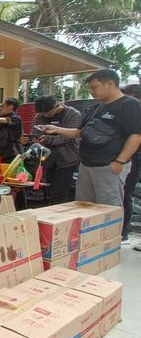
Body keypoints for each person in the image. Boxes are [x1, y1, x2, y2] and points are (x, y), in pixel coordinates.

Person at [41, 70, 141, 220]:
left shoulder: (130, 105)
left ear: (110, 84)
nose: (91, 91)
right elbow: (80, 132)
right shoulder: (96, 108)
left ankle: (110, 235)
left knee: (108, 209)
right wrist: (56, 129)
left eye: (94, 87)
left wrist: (119, 162)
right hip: (87, 165)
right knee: (84, 207)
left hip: (108, 166)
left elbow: (136, 135)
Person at [20, 96, 80, 205]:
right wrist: (31, 140)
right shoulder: (40, 116)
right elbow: (36, 133)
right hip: (47, 159)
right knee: (49, 191)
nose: (46, 116)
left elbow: (68, 137)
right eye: (43, 114)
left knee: (60, 193)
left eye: (48, 113)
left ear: (56, 105)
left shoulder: (72, 114)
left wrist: (47, 139)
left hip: (67, 159)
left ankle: (57, 213)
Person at [120, 83, 141, 241]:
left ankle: (123, 233)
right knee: (123, 193)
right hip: (125, 158)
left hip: (133, 158)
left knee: (125, 193)